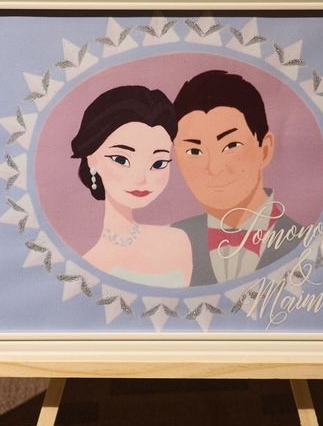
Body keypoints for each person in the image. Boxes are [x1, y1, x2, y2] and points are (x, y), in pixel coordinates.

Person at [172, 70, 303, 286]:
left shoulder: (308, 242)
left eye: (231, 145)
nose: (214, 168)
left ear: (265, 149)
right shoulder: (168, 244)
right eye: (194, 151)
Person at [71, 85, 192, 288]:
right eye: (121, 159)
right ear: (92, 159)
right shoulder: (87, 266)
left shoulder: (178, 240)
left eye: (158, 163)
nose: (141, 179)